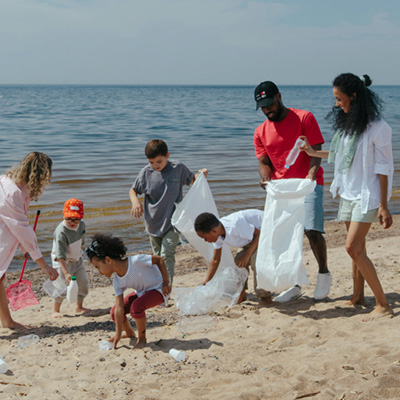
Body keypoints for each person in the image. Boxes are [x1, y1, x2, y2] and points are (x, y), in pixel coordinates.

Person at [300, 73, 393, 321]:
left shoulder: (379, 128)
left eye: (340, 99)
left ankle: (383, 304)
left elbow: (384, 168)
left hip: (368, 196)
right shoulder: (349, 125)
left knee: (352, 247)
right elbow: (339, 154)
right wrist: (311, 152)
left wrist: (384, 205)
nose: (337, 104)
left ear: (354, 96)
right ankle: (358, 296)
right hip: (349, 193)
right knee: (358, 248)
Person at [253, 81, 331, 302]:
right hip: (282, 189)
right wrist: (265, 177)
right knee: (285, 236)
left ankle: (324, 272)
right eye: (263, 107)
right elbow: (264, 161)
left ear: (279, 96)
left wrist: (311, 174)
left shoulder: (304, 118)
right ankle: (293, 284)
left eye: (270, 104)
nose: (268, 110)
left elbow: (315, 151)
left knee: (311, 230)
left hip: (308, 183)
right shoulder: (260, 132)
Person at [129, 139, 207, 284]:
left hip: (173, 222)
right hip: (152, 222)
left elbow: (192, 180)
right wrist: (135, 202)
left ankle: (166, 288)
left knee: (166, 254)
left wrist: (201, 175)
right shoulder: (146, 172)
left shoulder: (178, 168)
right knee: (157, 257)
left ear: (167, 156)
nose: (155, 165)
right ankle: (158, 286)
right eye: (152, 162)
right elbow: (133, 190)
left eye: (159, 161)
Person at [0, 152, 59, 329]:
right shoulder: (13, 193)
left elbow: (16, 225)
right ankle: (7, 321)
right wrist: (44, 265)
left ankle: (7, 321)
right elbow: (23, 229)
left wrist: (22, 247)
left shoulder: (7, 181)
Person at [86, 233, 171, 349]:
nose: (99, 272)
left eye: (97, 267)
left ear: (108, 260)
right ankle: (130, 333)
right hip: (142, 292)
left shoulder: (136, 261)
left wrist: (166, 282)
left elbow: (159, 260)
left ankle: (142, 339)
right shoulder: (117, 281)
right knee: (114, 311)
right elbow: (120, 308)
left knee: (136, 307)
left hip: (159, 289)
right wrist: (118, 334)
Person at [194, 210, 272, 306]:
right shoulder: (218, 234)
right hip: (250, 239)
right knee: (238, 262)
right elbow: (215, 260)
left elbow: (258, 234)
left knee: (256, 261)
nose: (205, 241)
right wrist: (207, 281)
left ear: (214, 230)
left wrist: (247, 255)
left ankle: (265, 297)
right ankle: (242, 293)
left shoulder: (235, 225)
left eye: (205, 238)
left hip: (266, 233)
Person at [51, 198, 90, 317]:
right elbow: (60, 255)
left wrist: (80, 250)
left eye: (76, 219)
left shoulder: (82, 225)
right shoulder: (61, 231)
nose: (72, 222)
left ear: (81, 218)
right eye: (69, 219)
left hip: (77, 259)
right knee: (61, 287)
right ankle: (55, 310)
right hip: (63, 262)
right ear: (64, 216)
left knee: (83, 283)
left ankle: (79, 307)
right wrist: (66, 272)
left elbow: (81, 239)